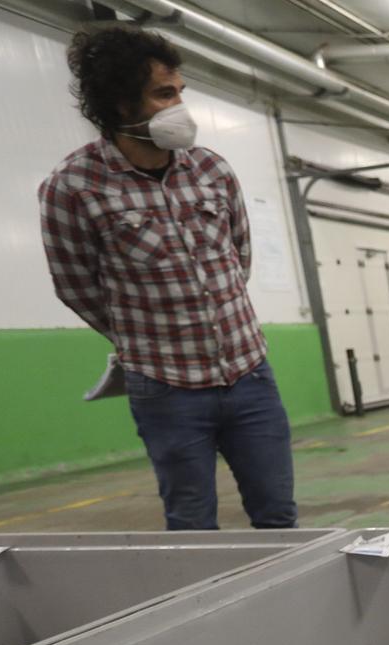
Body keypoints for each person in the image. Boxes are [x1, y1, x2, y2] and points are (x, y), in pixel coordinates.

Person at [39, 23, 296, 531]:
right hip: (166, 388)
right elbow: (75, 286)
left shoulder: (211, 170)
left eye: (180, 91)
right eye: (164, 94)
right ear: (119, 103)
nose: (180, 106)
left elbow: (237, 257)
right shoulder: (72, 188)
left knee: (278, 513)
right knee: (191, 522)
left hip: (249, 375)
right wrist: (144, 337)